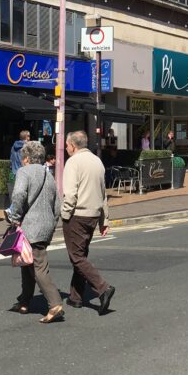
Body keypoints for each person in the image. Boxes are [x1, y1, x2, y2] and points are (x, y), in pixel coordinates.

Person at [6, 140, 64, 323]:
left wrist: (14, 216)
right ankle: (24, 301)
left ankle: (55, 304)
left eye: (23, 157)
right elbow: (57, 205)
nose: (22, 160)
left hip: (31, 226)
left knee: (39, 266)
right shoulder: (49, 175)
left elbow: (19, 194)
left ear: (26, 159)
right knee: (27, 262)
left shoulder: (24, 172)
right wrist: (52, 224)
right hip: (46, 225)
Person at [61, 130, 115, 315]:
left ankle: (103, 288)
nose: (66, 148)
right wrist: (104, 219)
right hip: (93, 215)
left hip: (77, 215)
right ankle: (75, 297)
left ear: (73, 146)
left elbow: (70, 194)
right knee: (81, 255)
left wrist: (64, 214)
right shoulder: (97, 161)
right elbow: (103, 193)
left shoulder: (73, 162)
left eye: (67, 145)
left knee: (76, 257)